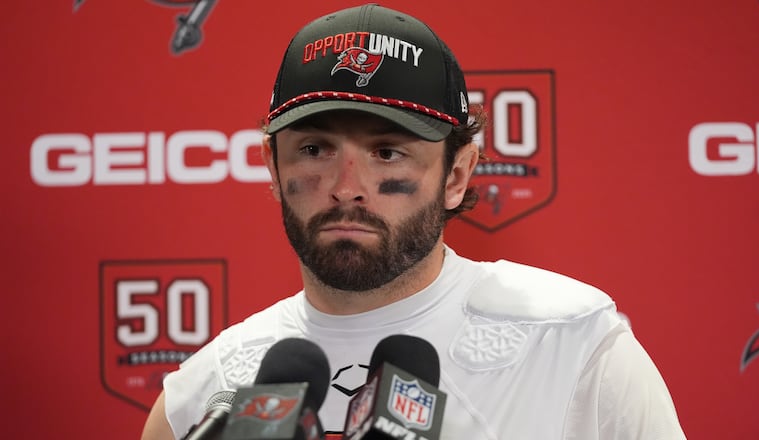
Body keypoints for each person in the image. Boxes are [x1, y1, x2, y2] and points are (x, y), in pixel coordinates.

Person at [141, 4, 686, 439]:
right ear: (272, 165)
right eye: (314, 149)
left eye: (387, 152)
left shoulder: (572, 346)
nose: (346, 186)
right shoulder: (206, 394)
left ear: (457, 175)